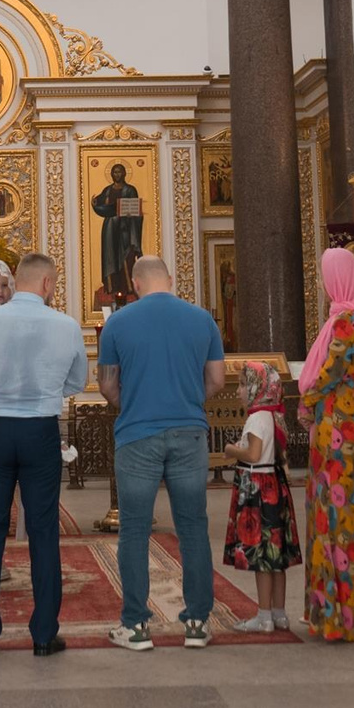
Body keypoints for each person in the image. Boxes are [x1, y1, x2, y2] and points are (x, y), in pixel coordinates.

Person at [0, 252, 88, 656]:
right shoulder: (66, 325)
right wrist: (42, 392)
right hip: (40, 430)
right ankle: (44, 634)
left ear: (18, 280)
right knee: (44, 529)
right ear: (47, 284)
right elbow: (77, 381)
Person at [96, 254, 223, 651]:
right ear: (169, 278)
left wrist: (135, 405)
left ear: (135, 284)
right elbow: (217, 379)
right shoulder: (202, 319)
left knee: (134, 530)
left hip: (137, 436)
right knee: (193, 528)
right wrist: (187, 402)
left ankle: (135, 626)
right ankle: (198, 623)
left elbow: (106, 385)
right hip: (189, 434)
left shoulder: (117, 323)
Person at [298, 246, 354, 642]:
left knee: (334, 518)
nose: (322, 282)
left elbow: (331, 372)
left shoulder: (348, 321)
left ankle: (342, 616)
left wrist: (306, 400)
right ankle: (330, 611)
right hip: (337, 423)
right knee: (328, 515)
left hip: (338, 427)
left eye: (325, 274)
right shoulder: (350, 317)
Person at [218, 359, 296, 633]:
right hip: (274, 484)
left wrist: (231, 450)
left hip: (257, 488)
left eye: (242, 385)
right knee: (276, 557)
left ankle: (263, 616)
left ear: (256, 388)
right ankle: (279, 613)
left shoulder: (256, 417)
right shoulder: (273, 416)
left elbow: (252, 454)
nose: (238, 390)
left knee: (262, 556)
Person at [90, 163, 144, 307]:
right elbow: (100, 202)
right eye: (114, 172)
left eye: (119, 172)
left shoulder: (130, 190)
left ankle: (128, 288)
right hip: (110, 229)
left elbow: (135, 209)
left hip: (126, 229)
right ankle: (111, 287)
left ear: (124, 173)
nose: (117, 175)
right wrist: (95, 203)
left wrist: (130, 216)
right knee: (111, 257)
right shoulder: (108, 190)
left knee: (126, 257)